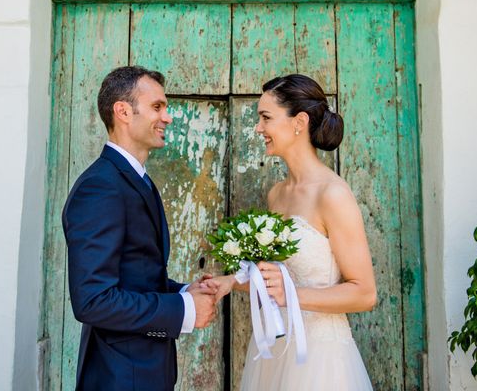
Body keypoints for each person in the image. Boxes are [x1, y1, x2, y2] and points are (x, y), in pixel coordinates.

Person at [209, 74, 377, 390]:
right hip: (276, 347)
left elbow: (365, 293)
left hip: (319, 357)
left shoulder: (333, 194)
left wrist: (292, 296)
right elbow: (275, 277)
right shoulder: (277, 194)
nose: (258, 128)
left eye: (266, 117)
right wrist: (230, 282)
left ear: (298, 122)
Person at [62, 66, 218, 391]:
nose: (168, 116)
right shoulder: (100, 187)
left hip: (145, 373)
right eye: (157, 107)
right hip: (119, 377)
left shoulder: (136, 180)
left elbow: (136, 277)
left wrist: (183, 291)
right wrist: (184, 310)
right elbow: (93, 300)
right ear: (123, 111)